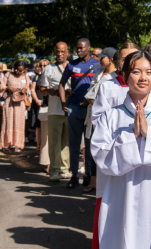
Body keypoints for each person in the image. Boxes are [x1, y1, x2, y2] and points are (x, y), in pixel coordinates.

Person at [91, 51, 151, 249]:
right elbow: (101, 157)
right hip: (122, 195)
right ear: (125, 75)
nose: (143, 78)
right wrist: (130, 136)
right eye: (136, 71)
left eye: (149, 72)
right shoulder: (111, 116)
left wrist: (149, 134)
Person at [59, 38, 100, 189]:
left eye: (82, 48)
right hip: (74, 108)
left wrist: (90, 100)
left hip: (90, 110)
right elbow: (62, 85)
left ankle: (88, 176)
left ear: (89, 48)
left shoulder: (96, 65)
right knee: (74, 144)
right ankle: (74, 175)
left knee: (89, 145)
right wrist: (64, 103)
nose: (79, 50)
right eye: (77, 48)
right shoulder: (71, 65)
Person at [82, 47, 117, 193]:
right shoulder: (98, 73)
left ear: (111, 59)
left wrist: (96, 101)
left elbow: (93, 96)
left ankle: (102, 183)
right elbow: (90, 95)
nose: (99, 59)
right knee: (91, 149)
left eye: (102, 57)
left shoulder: (115, 77)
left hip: (106, 119)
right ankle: (92, 179)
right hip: (92, 117)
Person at [40, 42, 71, 182]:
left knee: (67, 142)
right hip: (54, 110)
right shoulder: (48, 69)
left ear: (67, 52)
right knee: (54, 143)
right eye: (57, 51)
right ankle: (54, 170)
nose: (59, 54)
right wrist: (49, 91)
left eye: (62, 51)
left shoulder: (72, 67)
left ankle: (65, 169)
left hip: (71, 109)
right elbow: (42, 90)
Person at [0, 61, 30, 152]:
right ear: (14, 68)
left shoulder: (26, 76)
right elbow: (1, 86)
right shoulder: (8, 75)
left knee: (18, 122)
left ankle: (17, 145)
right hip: (9, 101)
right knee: (8, 121)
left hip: (20, 102)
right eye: (17, 70)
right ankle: (6, 144)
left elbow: (28, 88)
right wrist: (8, 88)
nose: (19, 72)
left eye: (21, 71)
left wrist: (25, 91)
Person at [31, 60, 50, 172]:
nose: (42, 67)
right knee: (44, 133)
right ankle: (47, 163)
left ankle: (52, 164)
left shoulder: (51, 76)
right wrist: (37, 100)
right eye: (41, 65)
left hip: (51, 106)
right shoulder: (37, 77)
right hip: (41, 105)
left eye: (45, 65)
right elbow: (32, 89)